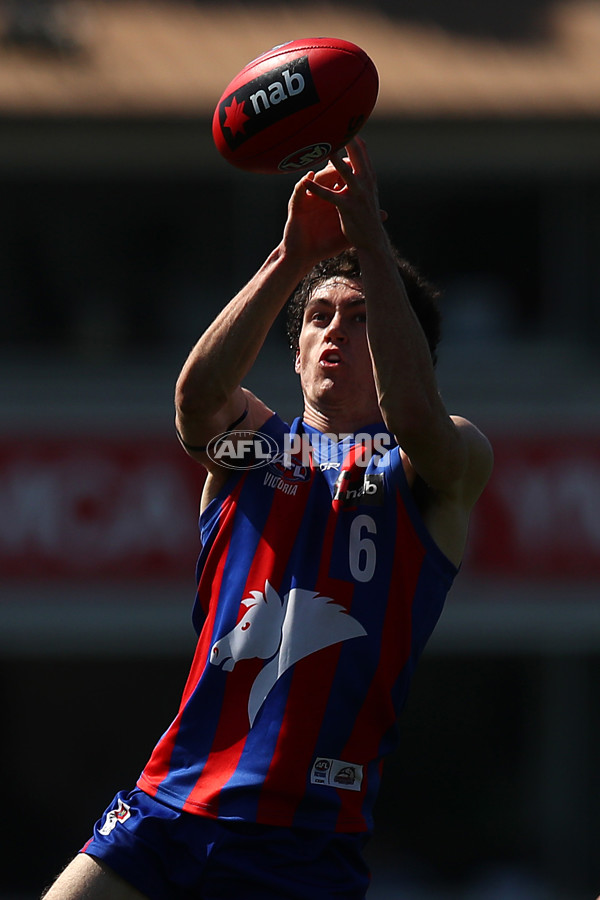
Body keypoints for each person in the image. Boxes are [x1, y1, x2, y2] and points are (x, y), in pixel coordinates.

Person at [42, 137, 493, 900]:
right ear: (295, 352)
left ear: (395, 343)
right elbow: (192, 405)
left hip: (302, 839)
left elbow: (416, 415)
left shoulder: (434, 465)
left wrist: (373, 250)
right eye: (317, 317)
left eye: (357, 318)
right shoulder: (252, 444)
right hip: (168, 803)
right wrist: (290, 257)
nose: (332, 333)